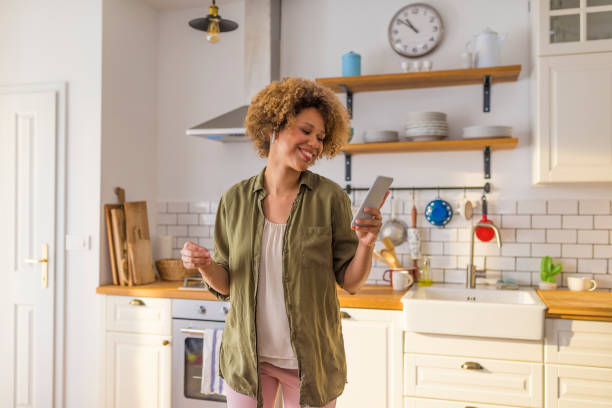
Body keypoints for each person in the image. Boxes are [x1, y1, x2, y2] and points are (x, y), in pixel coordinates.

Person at [181, 77, 388, 408]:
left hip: (310, 364)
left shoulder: (330, 198)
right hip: (248, 361)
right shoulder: (234, 199)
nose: (315, 143)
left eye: (321, 137)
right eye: (306, 131)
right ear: (273, 127)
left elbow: (351, 282)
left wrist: (366, 243)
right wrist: (205, 265)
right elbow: (227, 285)